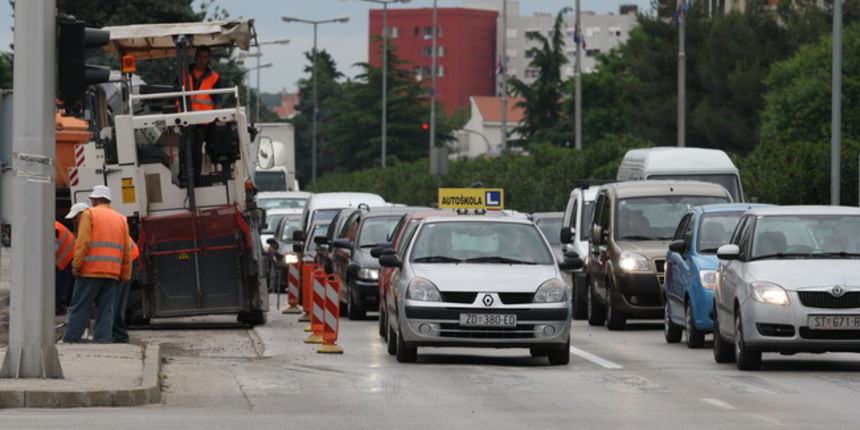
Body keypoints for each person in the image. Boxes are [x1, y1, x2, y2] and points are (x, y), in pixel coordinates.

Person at [63, 186, 132, 344]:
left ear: (94, 200)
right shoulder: (121, 219)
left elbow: (83, 242)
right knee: (106, 310)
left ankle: (70, 341)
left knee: (80, 308)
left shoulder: (90, 214)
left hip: (90, 272)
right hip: (112, 273)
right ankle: (103, 342)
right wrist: (125, 274)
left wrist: (76, 265)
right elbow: (126, 251)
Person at [178, 46, 223, 183]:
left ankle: (195, 178)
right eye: (200, 56)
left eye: (205, 57)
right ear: (195, 57)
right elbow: (176, 95)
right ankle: (184, 175)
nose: (202, 60)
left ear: (209, 59)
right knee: (185, 148)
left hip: (204, 121)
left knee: (197, 150)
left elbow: (218, 100)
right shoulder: (184, 74)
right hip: (186, 118)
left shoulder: (215, 78)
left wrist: (215, 119)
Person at [112, 238, 139, 343]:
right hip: (125, 256)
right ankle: (118, 333)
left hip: (126, 258)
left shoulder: (92, 224)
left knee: (116, 301)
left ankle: (120, 334)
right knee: (116, 301)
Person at [54, 220, 75, 315]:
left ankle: (59, 306)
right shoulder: (54, 225)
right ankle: (60, 304)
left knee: (61, 283)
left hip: (66, 257)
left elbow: (52, 248)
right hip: (68, 254)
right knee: (63, 282)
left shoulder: (53, 228)